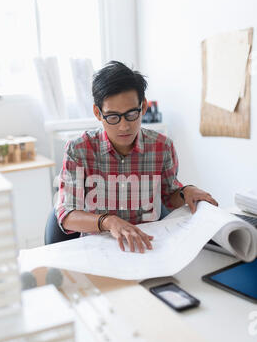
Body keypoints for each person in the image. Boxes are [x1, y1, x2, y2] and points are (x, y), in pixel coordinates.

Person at [56, 61, 218, 253]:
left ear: (143, 107)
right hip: (98, 249)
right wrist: (108, 222)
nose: (124, 126)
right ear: (98, 113)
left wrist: (185, 192)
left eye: (131, 114)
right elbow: (66, 215)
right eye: (113, 117)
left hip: (148, 246)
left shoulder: (162, 147)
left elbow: (169, 198)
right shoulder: (79, 150)